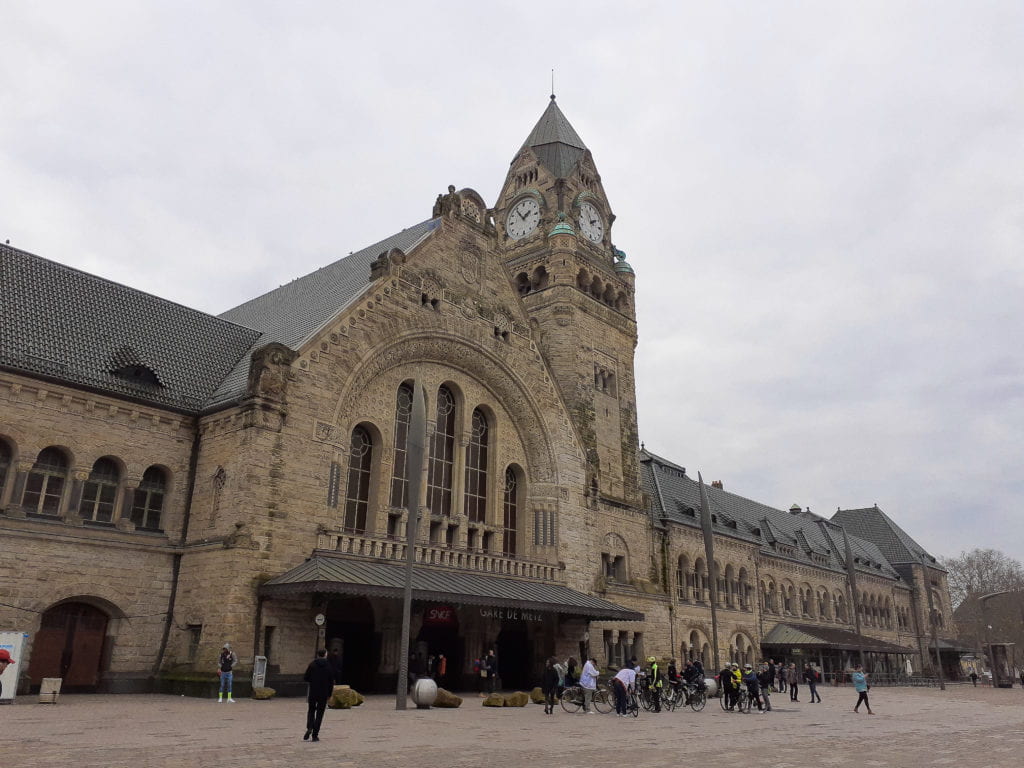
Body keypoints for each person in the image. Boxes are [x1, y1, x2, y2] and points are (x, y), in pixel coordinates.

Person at [303, 649, 335, 741]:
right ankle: (315, 735)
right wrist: (329, 694)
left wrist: (313, 680)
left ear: (317, 655)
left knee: (311, 710)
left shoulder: (312, 665)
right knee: (320, 713)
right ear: (325, 655)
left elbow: (306, 678)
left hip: (313, 692)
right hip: (323, 693)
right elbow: (331, 681)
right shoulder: (329, 666)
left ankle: (309, 727)